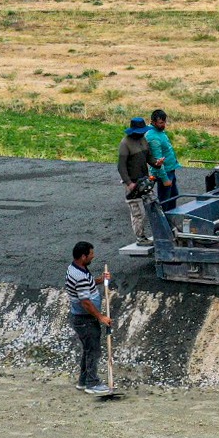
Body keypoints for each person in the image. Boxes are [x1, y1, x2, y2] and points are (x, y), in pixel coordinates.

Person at [65, 241, 112, 394]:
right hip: (85, 319)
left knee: (88, 350)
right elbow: (85, 302)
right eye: (91, 254)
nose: (93, 256)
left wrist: (100, 280)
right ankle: (92, 383)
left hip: (82, 318)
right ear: (83, 256)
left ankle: (83, 381)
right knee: (93, 350)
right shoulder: (80, 276)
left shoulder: (77, 268)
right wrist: (101, 317)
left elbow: (88, 285)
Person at [117, 117, 153, 244]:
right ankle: (140, 237)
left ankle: (156, 233)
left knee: (153, 207)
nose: (142, 133)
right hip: (132, 183)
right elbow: (121, 167)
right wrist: (129, 183)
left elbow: (149, 158)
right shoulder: (125, 143)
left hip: (144, 181)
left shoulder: (143, 140)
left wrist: (157, 163)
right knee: (138, 213)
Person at [145, 109, 181, 211]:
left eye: (164, 122)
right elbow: (158, 161)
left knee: (174, 195)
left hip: (170, 169)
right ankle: (164, 222)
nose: (164, 125)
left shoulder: (159, 131)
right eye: (161, 123)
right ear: (153, 122)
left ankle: (171, 219)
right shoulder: (153, 137)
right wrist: (165, 179)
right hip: (164, 172)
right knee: (165, 200)